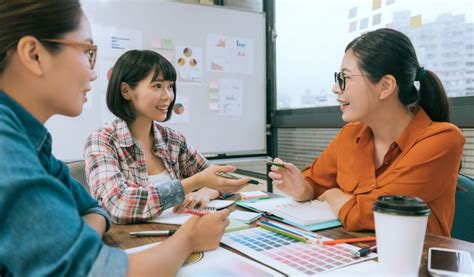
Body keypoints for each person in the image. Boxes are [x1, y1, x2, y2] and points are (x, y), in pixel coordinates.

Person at [0, 1, 236, 275]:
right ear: (34, 55)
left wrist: (80, 243)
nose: (93, 71)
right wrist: (189, 239)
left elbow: (92, 208)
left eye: (170, 87)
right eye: (87, 52)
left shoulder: (35, 145)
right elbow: (98, 250)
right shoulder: (9, 147)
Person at [269, 28, 465, 237]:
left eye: (345, 77)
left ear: (386, 86)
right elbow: (316, 182)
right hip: (351, 254)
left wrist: (334, 195)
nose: (336, 88)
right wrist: (304, 190)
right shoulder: (351, 134)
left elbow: (374, 215)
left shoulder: (442, 140)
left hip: (413, 265)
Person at [84, 50, 249, 224]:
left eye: (170, 86)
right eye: (157, 86)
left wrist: (208, 191)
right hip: (131, 244)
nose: (168, 96)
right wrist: (194, 183)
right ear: (126, 91)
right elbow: (119, 205)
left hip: (180, 235)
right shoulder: (101, 141)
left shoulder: (173, 140)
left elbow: (223, 179)